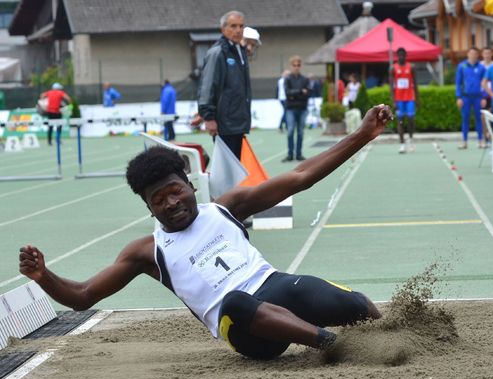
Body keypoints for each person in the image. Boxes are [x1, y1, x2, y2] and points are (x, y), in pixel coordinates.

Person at [19, 104, 392, 360]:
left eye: (175, 190)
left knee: (339, 299)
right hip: (243, 330)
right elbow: (83, 296)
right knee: (235, 301)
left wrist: (363, 134)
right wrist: (43, 275)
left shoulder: (226, 208)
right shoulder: (147, 252)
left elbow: (300, 177)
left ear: (191, 184)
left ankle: (397, 333)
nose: (170, 203)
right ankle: (329, 344)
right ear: (147, 206)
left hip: (272, 288)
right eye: (158, 199)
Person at [198, 10, 251, 160]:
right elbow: (207, 86)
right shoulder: (218, 52)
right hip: (224, 124)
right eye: (233, 26)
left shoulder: (240, 51)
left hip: (238, 122)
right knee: (226, 172)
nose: (238, 30)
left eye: (241, 26)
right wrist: (208, 117)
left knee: (236, 171)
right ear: (223, 29)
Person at [456, 47, 488, 149]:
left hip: (478, 97)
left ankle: (480, 140)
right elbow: (458, 82)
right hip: (466, 97)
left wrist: (484, 97)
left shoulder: (482, 67)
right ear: (468, 54)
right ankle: (464, 141)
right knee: (465, 118)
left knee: (479, 118)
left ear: (477, 55)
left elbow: (485, 83)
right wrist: (459, 97)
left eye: (475, 54)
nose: (473, 55)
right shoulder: (462, 66)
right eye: (471, 53)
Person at [390, 47, 419, 154]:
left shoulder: (411, 67)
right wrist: (393, 101)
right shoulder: (393, 68)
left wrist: (418, 99)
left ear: (406, 56)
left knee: (411, 119)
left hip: (410, 98)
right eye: (399, 55)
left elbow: (415, 84)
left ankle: (411, 138)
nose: (401, 57)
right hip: (399, 99)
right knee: (400, 121)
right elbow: (391, 86)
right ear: (397, 56)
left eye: (403, 55)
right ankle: (402, 144)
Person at [282, 55, 310, 162]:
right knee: (290, 131)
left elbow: (307, 93)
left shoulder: (305, 79)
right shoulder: (287, 79)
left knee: (300, 132)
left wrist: (295, 94)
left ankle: (298, 154)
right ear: (291, 66)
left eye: (298, 65)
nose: (296, 67)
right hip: (291, 109)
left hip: (302, 108)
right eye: (294, 65)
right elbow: (287, 93)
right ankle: (290, 154)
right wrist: (300, 91)